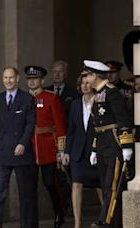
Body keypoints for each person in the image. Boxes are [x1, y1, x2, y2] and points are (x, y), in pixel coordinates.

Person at [82, 60, 134, 228]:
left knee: (113, 185)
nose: (86, 80)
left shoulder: (112, 93)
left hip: (114, 142)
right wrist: (94, 149)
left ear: (95, 75)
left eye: (88, 76)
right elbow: (99, 126)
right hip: (103, 143)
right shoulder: (98, 94)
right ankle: (112, 221)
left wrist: (126, 145)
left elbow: (123, 119)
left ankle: (106, 221)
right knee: (106, 185)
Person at [0, 67, 38, 228]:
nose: (8, 81)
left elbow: (30, 124)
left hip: (21, 151)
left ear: (17, 78)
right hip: (2, 151)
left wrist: (22, 143)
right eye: (5, 78)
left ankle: (27, 224)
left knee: (25, 192)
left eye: (11, 78)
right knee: (0, 189)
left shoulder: (27, 99)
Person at [25, 65, 67, 228]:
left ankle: (59, 212)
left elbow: (60, 125)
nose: (32, 81)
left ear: (42, 80)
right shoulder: (22, 98)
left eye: (35, 78)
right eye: (29, 79)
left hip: (48, 146)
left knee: (50, 183)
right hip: (29, 147)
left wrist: (61, 149)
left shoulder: (51, 98)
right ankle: (32, 220)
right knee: (30, 186)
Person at [62, 71, 102, 228]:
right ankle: (77, 222)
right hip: (78, 151)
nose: (85, 86)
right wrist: (66, 152)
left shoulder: (100, 101)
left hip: (95, 151)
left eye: (87, 82)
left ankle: (106, 218)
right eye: (82, 83)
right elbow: (71, 129)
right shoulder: (75, 104)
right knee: (76, 184)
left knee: (99, 186)